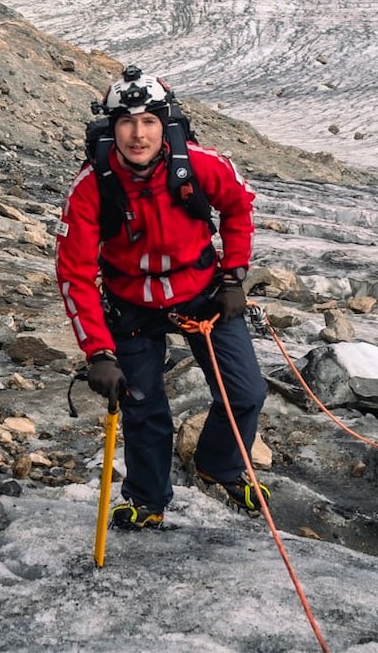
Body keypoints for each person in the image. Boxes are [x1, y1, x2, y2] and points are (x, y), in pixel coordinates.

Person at [55, 66, 268, 529]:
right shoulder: (92, 186)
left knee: (245, 392)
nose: (138, 133)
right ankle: (147, 499)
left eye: (148, 121)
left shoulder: (199, 164)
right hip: (130, 305)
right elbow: (73, 273)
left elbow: (238, 206)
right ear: (111, 129)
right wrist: (99, 353)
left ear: (164, 124)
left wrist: (234, 277)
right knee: (144, 407)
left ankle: (221, 465)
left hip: (203, 294)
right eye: (126, 122)